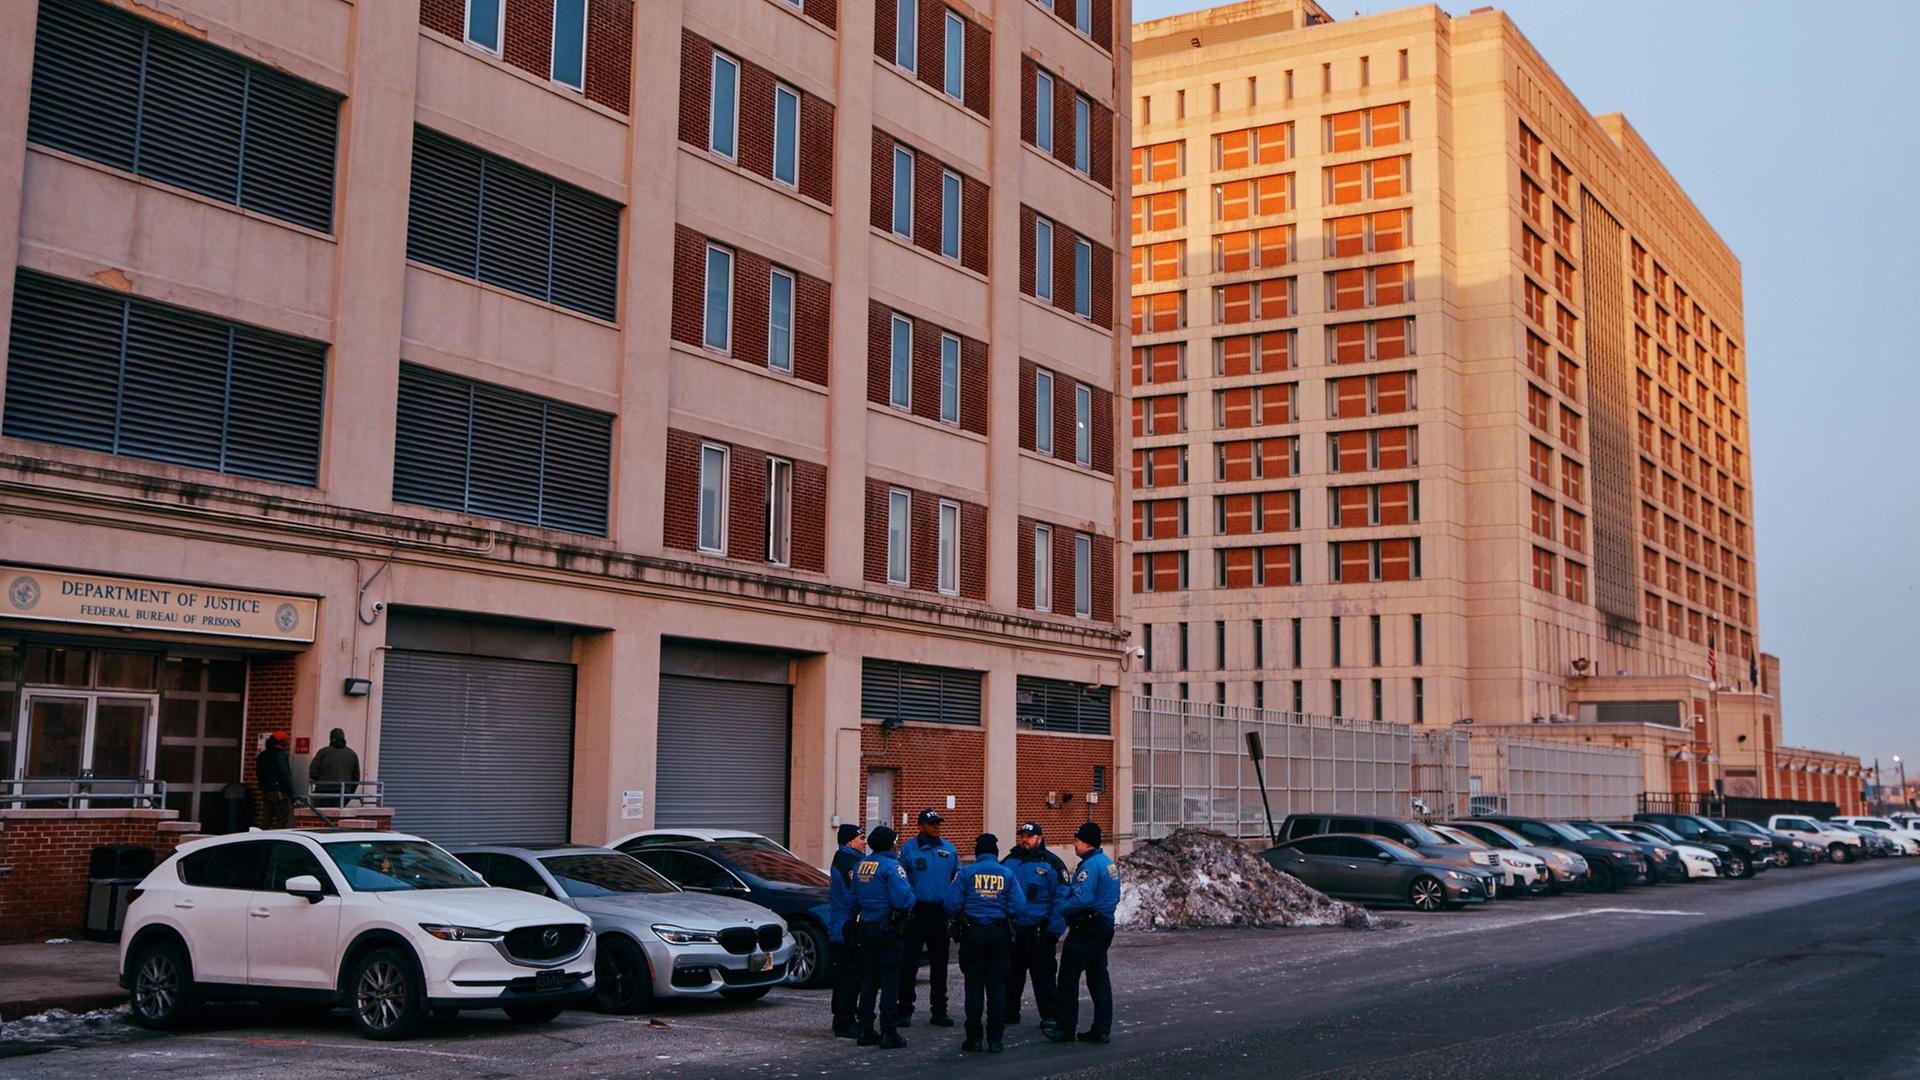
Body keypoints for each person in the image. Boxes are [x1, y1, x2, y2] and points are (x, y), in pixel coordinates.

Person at [946, 833, 1028, 1053]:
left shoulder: (966, 873)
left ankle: (973, 1039)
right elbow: (1019, 906)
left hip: (973, 934)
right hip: (998, 934)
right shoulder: (1007, 873)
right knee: (997, 987)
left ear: (977, 852)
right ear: (995, 852)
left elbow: (951, 904)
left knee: (973, 987)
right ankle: (995, 1039)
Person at [1042, 821, 1120, 1046]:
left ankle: (1065, 1028)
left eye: (1077, 841)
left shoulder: (1090, 867)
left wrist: (1062, 908)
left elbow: (1082, 899)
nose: (1074, 845)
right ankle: (1101, 1029)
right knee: (1098, 978)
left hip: (1087, 928)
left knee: (1068, 977)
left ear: (1087, 842)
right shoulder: (1107, 864)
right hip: (1103, 926)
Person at [852, 825, 915, 1049]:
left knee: (869, 979)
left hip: (866, 925)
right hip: (887, 927)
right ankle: (889, 1031)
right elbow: (902, 899)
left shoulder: (861, 865)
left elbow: (854, 895)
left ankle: (865, 1029)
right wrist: (912, 897)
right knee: (890, 981)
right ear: (890, 844)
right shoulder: (892, 866)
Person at [897, 809, 958, 1028]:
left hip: (940, 914)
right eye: (931, 824)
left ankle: (939, 1010)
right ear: (920, 826)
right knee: (909, 964)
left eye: (938, 823)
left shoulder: (949, 849)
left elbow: (957, 877)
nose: (936, 827)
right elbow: (900, 879)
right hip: (917, 914)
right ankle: (904, 1009)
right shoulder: (908, 849)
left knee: (940, 965)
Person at [1003, 821, 1068, 1026]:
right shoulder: (1009, 862)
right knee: (1011, 975)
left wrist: (1054, 930)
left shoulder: (1052, 864)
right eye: (1022, 836)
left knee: (1043, 978)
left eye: (1029, 836)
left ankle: (1050, 1016)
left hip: (1040, 931)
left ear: (1039, 838)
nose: (1024, 840)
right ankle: (1009, 1013)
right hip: (1014, 930)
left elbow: (1061, 899)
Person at [827, 823, 868, 1038]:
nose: (865, 842)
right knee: (848, 977)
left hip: (844, 925)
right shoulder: (847, 864)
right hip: (846, 927)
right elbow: (851, 897)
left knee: (848, 975)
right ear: (850, 841)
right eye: (861, 838)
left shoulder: (850, 860)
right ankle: (844, 1021)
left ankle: (844, 1018)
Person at [308, 727, 360, 806]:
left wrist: (321, 782)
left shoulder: (323, 752)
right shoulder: (352, 754)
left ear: (331, 738)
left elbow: (313, 772)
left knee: (321, 813)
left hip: (323, 792)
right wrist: (349, 793)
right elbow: (356, 778)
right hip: (343, 793)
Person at [256, 731, 294, 829]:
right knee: (281, 820)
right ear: (280, 742)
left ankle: (260, 836)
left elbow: (259, 774)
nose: (287, 742)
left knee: (266, 819)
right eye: (285, 740)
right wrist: (290, 792)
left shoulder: (262, 755)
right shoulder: (280, 755)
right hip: (279, 792)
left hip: (267, 791)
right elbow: (285, 774)